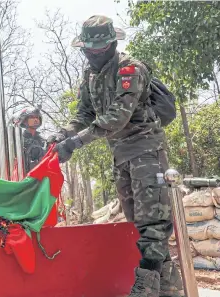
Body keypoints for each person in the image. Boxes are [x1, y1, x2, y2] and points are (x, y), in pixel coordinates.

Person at [49, 16, 183, 297]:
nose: (96, 54)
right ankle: (170, 287)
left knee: (153, 221)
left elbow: (117, 117)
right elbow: (84, 113)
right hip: (120, 154)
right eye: (90, 50)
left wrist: (76, 143)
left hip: (145, 149)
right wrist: (63, 135)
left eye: (101, 49)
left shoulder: (129, 69)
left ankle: (146, 288)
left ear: (112, 44)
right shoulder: (90, 76)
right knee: (139, 222)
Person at [17, 107, 46, 173]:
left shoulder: (43, 141)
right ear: (24, 120)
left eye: (37, 117)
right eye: (32, 117)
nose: (36, 119)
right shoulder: (19, 140)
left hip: (41, 177)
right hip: (23, 176)